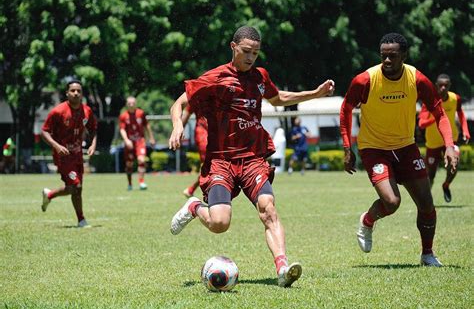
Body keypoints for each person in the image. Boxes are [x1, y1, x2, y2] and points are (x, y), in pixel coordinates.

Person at [168, 26, 335, 287]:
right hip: (221, 161)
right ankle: (194, 207)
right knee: (220, 223)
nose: (250, 58)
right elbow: (178, 104)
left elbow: (278, 98)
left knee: (268, 208)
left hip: (252, 159)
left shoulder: (260, 76)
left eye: (255, 53)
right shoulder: (215, 78)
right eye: (246, 52)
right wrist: (178, 126)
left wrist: (314, 93)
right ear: (233, 47)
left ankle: (282, 267)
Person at [339, 33, 458, 267]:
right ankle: (368, 220)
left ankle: (427, 254)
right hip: (374, 148)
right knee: (392, 202)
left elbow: (439, 113)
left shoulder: (418, 79)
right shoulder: (365, 80)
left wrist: (449, 145)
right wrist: (347, 146)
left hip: (406, 146)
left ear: (404, 55)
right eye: (383, 56)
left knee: (426, 203)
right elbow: (345, 110)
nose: (387, 61)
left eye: (393, 56)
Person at [41, 80, 97, 228]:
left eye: (79, 91)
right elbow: (44, 131)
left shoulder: (87, 111)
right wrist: (56, 146)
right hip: (63, 156)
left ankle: (49, 195)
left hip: (77, 155)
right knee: (76, 186)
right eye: (72, 90)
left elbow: (93, 129)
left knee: (74, 188)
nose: (76, 93)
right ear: (67, 93)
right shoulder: (58, 112)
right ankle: (81, 220)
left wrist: (93, 144)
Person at [418, 73, 470, 202]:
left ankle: (446, 185)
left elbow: (461, 114)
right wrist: (438, 117)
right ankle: (426, 201)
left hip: (450, 140)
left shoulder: (455, 98)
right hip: (433, 142)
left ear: (449, 86)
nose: (443, 88)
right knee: (431, 174)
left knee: (454, 164)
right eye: (440, 85)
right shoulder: (429, 100)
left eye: (446, 86)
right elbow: (421, 124)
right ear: (436, 86)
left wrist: (465, 130)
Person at [119, 96, 155, 190]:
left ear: (136, 104)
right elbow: (122, 129)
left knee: (142, 160)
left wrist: (151, 138)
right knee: (129, 164)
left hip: (140, 141)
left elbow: (147, 125)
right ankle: (130, 184)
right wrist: (126, 140)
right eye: (129, 103)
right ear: (126, 104)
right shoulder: (123, 116)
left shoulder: (140, 113)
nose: (131, 105)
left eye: (133, 103)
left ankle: (141, 182)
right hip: (129, 142)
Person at [181, 105, 208, 198]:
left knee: (212, 166)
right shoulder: (196, 94)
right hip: (203, 133)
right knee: (209, 165)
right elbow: (186, 112)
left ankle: (192, 189)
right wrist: (178, 131)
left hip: (219, 133)